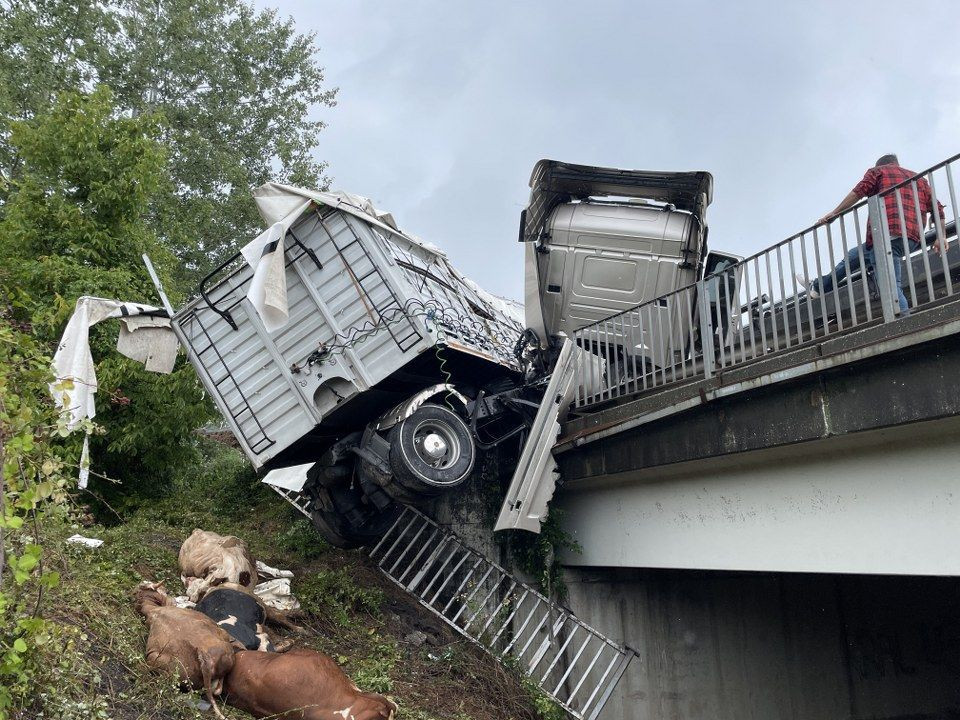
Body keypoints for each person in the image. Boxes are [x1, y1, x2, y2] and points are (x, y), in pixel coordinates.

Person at [800, 154, 945, 316]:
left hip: (886, 235)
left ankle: (904, 321)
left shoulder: (878, 171)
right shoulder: (919, 180)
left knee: (890, 285)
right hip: (910, 238)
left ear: (880, 165)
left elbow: (858, 192)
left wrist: (835, 213)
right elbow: (938, 209)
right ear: (896, 163)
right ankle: (820, 287)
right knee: (854, 256)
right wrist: (941, 236)